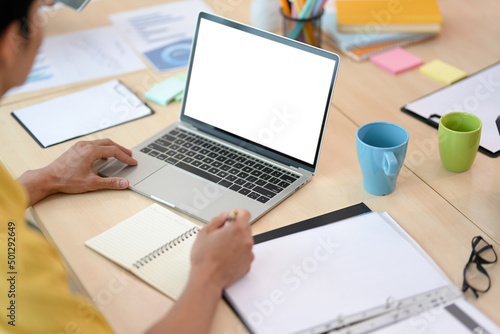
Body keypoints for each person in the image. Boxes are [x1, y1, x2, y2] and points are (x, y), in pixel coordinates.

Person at [0, 0, 254, 333]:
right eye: (38, 14)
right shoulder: (18, 269)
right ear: (10, 45)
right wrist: (210, 274)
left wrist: (47, 178)